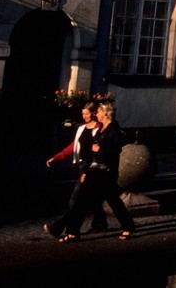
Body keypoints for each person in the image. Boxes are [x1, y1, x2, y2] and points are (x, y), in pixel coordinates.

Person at [66, 101, 136, 240]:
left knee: (110, 200)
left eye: (98, 112)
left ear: (105, 113)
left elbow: (116, 150)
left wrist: (101, 149)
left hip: (106, 171)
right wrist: (85, 171)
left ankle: (127, 227)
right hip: (94, 170)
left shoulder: (113, 130)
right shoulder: (100, 129)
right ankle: (73, 231)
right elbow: (91, 153)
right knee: (86, 199)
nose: (96, 114)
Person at [44, 102, 108, 239]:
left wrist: (88, 170)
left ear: (93, 113)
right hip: (81, 165)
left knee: (76, 198)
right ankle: (101, 223)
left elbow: (99, 150)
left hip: (92, 167)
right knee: (92, 197)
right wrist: (57, 157)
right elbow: (74, 146)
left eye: (87, 114)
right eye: (83, 114)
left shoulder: (100, 129)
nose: (84, 116)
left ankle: (58, 227)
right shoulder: (81, 128)